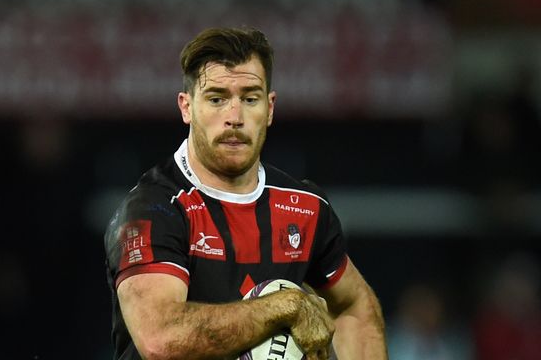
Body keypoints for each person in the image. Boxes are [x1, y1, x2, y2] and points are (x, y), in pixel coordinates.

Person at [104, 27, 386, 360]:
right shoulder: (152, 209)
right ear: (186, 107)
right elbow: (161, 338)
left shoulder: (305, 209)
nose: (234, 118)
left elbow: (355, 307)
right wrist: (284, 307)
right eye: (217, 98)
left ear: (269, 109)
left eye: (250, 98)